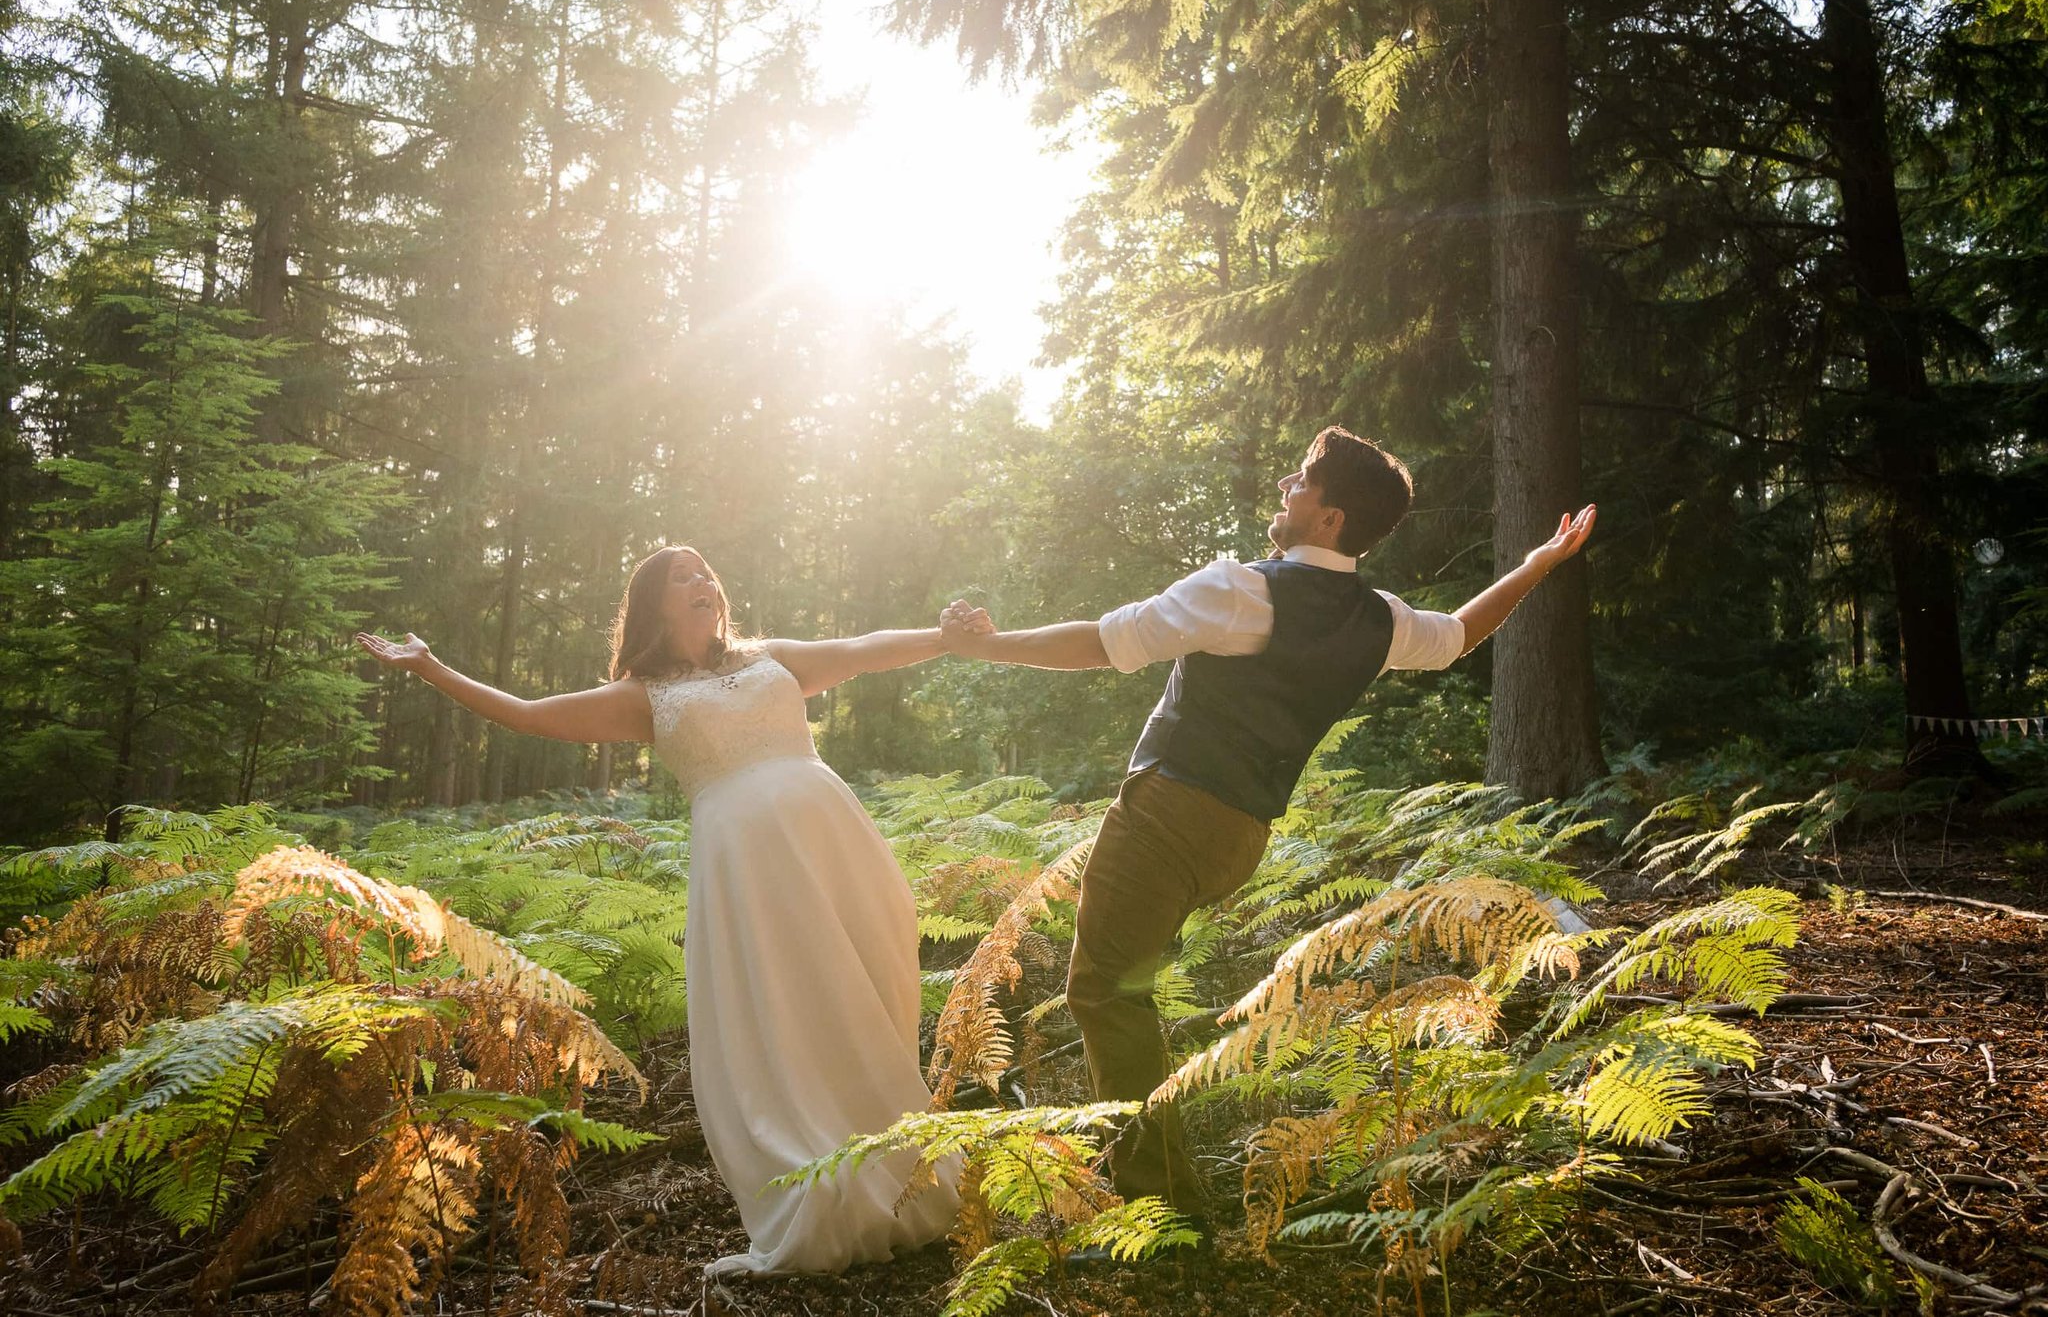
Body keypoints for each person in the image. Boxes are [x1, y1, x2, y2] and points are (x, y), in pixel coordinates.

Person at [939, 426, 1596, 1229]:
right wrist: (1538, 565)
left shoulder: (1239, 590)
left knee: (1104, 993)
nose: (1286, 486)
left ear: (1329, 518)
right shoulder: (1377, 619)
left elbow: (1105, 643)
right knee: (1127, 990)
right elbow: (1459, 636)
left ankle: (1159, 1207)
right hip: (1240, 838)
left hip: (1169, 815)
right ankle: (1145, 1162)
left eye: (1302, 482)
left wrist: (989, 646)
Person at [356, 545, 982, 1278]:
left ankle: (907, 1166)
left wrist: (945, 638)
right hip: (748, 870)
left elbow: (865, 650)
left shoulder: (772, 657)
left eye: (707, 571)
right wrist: (431, 667)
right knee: (793, 1003)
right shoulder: (643, 695)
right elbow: (528, 715)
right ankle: (827, 1181)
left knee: (872, 987)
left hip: (835, 841)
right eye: (684, 575)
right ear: (654, 603)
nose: (704, 580)